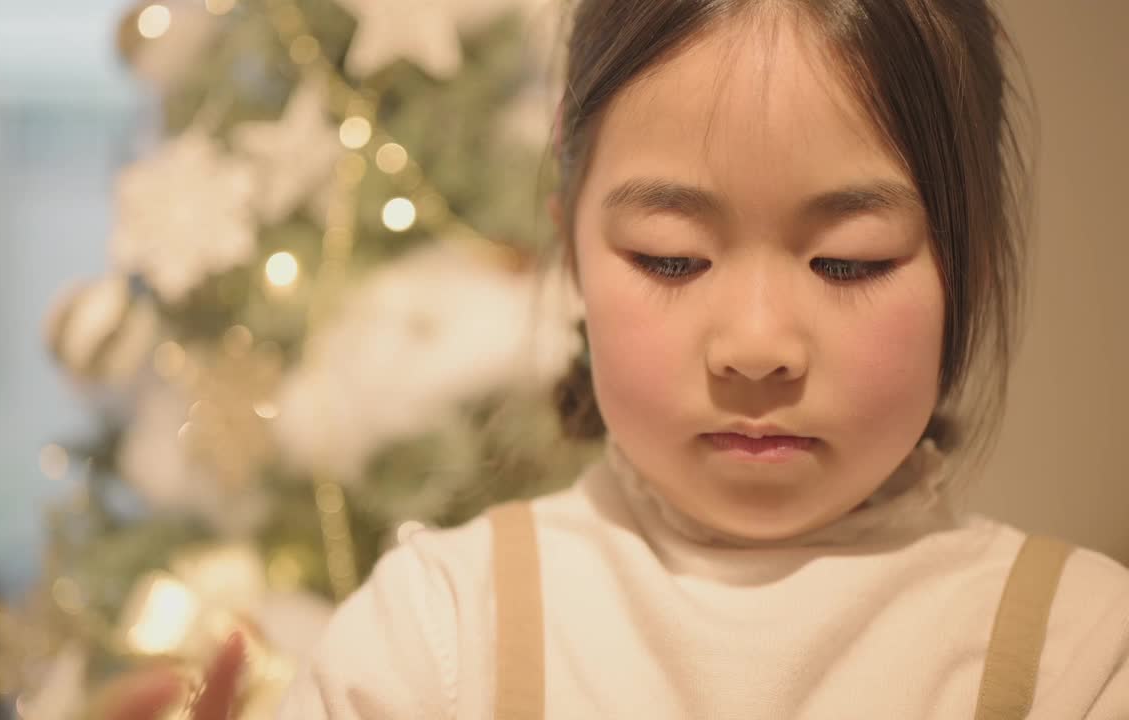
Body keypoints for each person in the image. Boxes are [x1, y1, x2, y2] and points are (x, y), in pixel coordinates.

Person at [107, 0, 1129, 717]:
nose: (755, 348)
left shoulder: (1075, 651)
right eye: (670, 259)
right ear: (570, 248)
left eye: (846, 262)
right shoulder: (441, 631)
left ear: (969, 267)